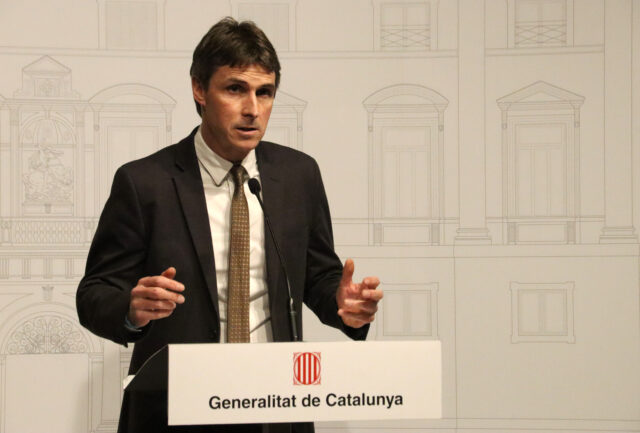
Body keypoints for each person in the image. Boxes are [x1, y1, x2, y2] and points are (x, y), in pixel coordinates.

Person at [76, 17, 382, 433]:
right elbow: (94, 294)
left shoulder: (298, 175)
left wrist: (345, 305)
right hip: (175, 408)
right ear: (199, 89)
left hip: (276, 404)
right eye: (235, 89)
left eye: (264, 92)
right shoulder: (144, 182)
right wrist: (131, 309)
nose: (252, 109)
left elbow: (318, 277)